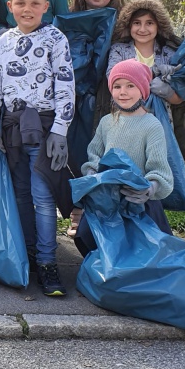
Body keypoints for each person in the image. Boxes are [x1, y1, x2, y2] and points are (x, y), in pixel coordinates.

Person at [0, 0, 75, 297]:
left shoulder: (55, 39)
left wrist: (60, 132)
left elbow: (66, 86)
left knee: (43, 198)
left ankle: (49, 263)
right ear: (9, 7)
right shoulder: (3, 41)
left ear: (45, 7)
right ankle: (27, 256)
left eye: (35, 4)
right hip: (11, 129)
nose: (27, 9)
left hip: (45, 128)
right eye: (20, 3)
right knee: (20, 193)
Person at [74, 60, 174, 256]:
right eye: (117, 86)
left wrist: (150, 188)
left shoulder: (151, 126)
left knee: (144, 251)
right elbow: (95, 153)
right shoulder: (106, 122)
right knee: (86, 237)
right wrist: (93, 172)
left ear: (143, 90)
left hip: (139, 201)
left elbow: (160, 169)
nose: (123, 92)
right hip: (107, 201)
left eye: (130, 86)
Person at [66, 0, 125, 236]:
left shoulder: (122, 23)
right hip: (77, 96)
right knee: (77, 152)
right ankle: (77, 212)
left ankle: (102, 215)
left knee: (103, 153)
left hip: (108, 97)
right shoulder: (71, 19)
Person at [106, 0, 183, 107]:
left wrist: (167, 92)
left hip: (159, 121)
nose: (142, 29)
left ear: (159, 26)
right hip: (123, 118)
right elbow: (113, 80)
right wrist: (154, 74)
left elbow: (179, 98)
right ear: (129, 25)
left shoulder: (169, 54)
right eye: (137, 23)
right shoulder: (118, 50)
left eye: (149, 23)